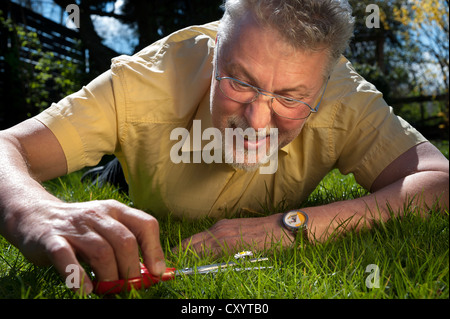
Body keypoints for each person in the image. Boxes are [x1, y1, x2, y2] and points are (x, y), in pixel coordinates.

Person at [0, 0, 448, 295]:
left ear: (324, 86)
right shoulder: (143, 81)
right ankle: (114, 167)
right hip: (142, 167)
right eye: (239, 81)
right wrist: (34, 211)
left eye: (291, 97)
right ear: (214, 51)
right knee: (111, 174)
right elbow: (7, 146)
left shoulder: (346, 96)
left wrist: (291, 226)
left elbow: (439, 182)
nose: (256, 121)